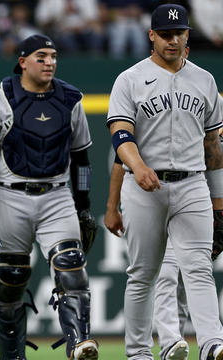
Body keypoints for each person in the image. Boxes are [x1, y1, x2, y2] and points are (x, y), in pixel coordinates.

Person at [0, 34, 99, 360]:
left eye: (53, 56)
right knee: (11, 276)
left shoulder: (70, 100)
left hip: (56, 194)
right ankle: (12, 356)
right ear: (23, 61)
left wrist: (83, 207)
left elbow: (82, 160)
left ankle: (80, 344)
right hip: (11, 195)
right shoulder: (2, 98)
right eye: (41, 56)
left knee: (71, 265)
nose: (49, 62)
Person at [106, 3, 223, 359]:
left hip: (192, 184)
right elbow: (120, 133)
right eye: (166, 34)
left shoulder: (204, 80)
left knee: (200, 269)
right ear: (152, 35)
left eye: (180, 33)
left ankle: (212, 344)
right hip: (144, 186)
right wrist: (138, 166)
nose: (173, 40)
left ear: (188, 35)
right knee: (142, 274)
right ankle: (139, 352)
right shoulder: (129, 79)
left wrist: (219, 203)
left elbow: (213, 146)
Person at [105, 157, 190, 360]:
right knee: (158, 272)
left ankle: (172, 340)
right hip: (147, 198)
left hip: (187, 194)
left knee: (179, 277)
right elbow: (119, 160)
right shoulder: (141, 129)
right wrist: (111, 208)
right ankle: (162, 343)